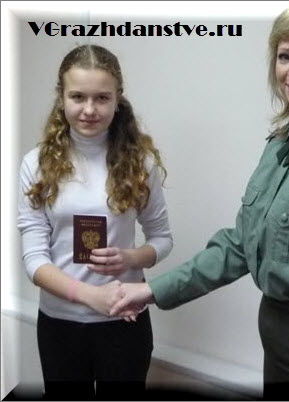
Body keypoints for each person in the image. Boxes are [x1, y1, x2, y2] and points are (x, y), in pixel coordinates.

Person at [110, 2, 289, 400]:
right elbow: (240, 245)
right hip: (278, 355)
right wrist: (154, 290)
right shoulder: (280, 145)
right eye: (285, 56)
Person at [17, 45, 173, 400]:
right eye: (78, 97)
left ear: (118, 100)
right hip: (59, 324)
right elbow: (34, 259)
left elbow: (162, 238)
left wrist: (131, 258)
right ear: (62, 98)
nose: (89, 109)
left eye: (102, 98)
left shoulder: (140, 163)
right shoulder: (35, 164)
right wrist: (91, 297)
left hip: (124, 319)